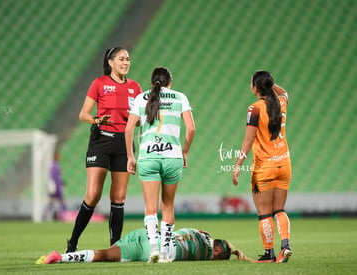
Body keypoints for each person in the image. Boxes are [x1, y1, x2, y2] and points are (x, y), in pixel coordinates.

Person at [65, 47, 142, 252]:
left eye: (128, 59)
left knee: (119, 198)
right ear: (110, 62)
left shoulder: (135, 87)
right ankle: (72, 242)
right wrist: (97, 119)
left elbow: (141, 118)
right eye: (121, 59)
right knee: (92, 195)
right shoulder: (99, 84)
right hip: (101, 141)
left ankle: (114, 248)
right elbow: (83, 114)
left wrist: (143, 120)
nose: (126, 62)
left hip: (123, 144)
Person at [125, 67, 195, 262]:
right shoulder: (180, 97)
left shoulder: (140, 98)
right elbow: (191, 129)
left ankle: (154, 249)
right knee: (168, 207)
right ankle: (165, 253)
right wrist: (185, 151)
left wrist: (131, 156)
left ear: (152, 82)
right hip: (173, 157)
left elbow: (128, 129)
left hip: (148, 157)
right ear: (170, 82)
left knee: (150, 208)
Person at [232, 71, 292, 263]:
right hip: (284, 164)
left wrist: (238, 164)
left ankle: (269, 253)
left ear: (255, 88)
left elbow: (248, 140)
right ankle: (286, 245)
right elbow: (284, 93)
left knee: (264, 212)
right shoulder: (281, 103)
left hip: (264, 167)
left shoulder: (255, 108)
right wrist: (271, 84)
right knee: (279, 209)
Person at [36, 227, 251, 264]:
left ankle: (65, 256)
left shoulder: (201, 233)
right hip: (151, 249)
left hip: (146, 233)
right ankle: (60, 257)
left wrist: (235, 250)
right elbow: (221, 249)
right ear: (215, 253)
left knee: (107, 252)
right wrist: (238, 254)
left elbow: (222, 243)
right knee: (103, 255)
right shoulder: (205, 255)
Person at [43, 150, 66, 221]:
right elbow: (54, 178)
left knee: (52, 201)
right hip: (55, 187)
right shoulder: (54, 166)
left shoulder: (53, 165)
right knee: (61, 202)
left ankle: (44, 215)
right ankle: (62, 216)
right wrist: (59, 185)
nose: (60, 157)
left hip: (53, 186)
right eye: (59, 155)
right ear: (56, 157)